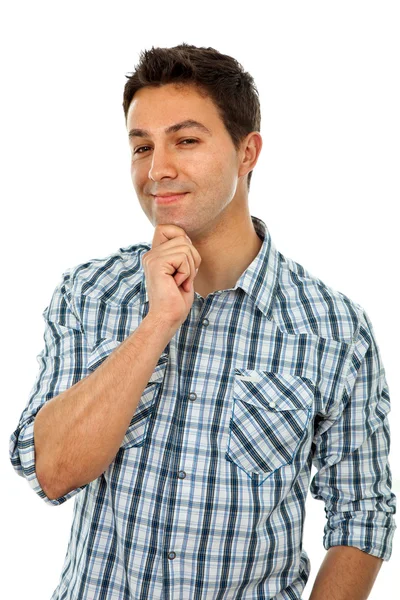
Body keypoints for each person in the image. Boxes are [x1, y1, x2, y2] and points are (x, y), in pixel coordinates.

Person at [9, 43, 396, 600]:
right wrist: (157, 324)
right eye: (141, 146)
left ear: (248, 151)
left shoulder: (334, 329)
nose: (157, 169)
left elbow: (363, 512)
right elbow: (53, 471)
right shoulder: (89, 294)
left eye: (185, 140)